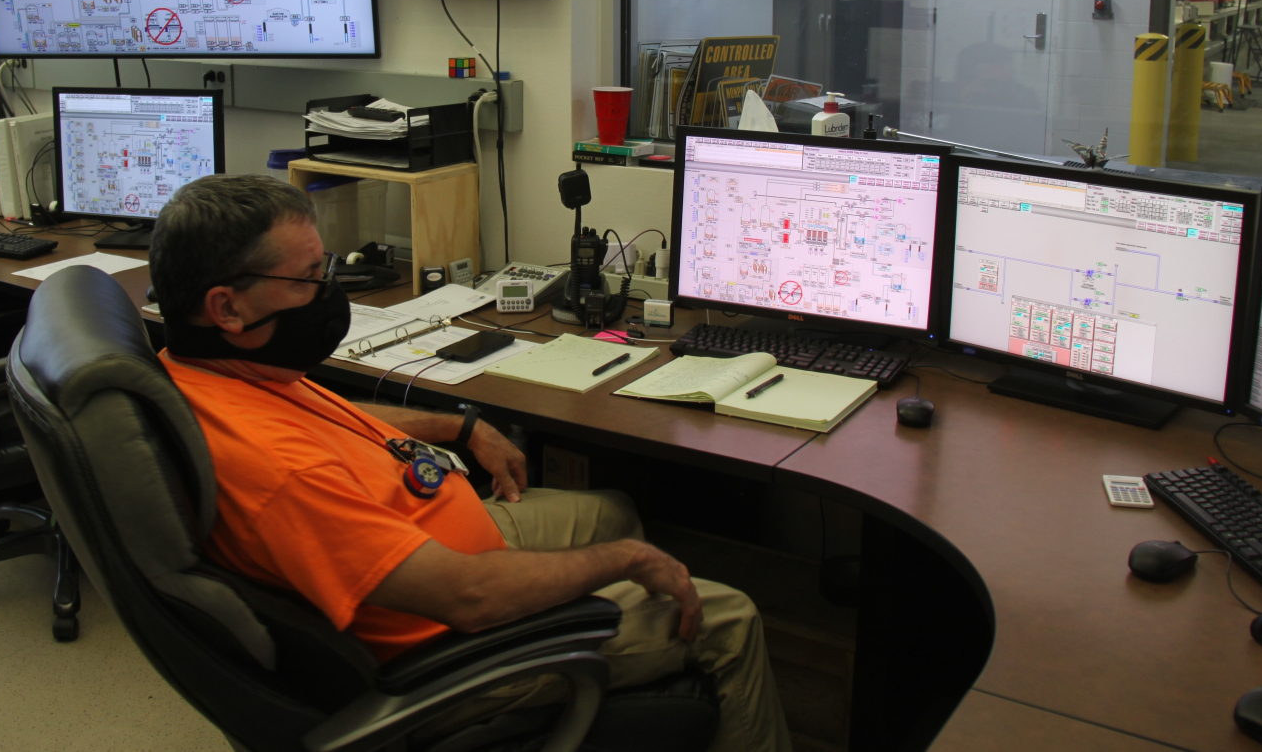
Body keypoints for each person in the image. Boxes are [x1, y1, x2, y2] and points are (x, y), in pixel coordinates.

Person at [149, 175, 791, 751]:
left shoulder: (212, 371)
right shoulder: (277, 471)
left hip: (426, 530)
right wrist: (627, 562)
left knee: (611, 511)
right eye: (310, 278)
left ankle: (634, 670)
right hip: (456, 643)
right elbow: (469, 597)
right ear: (226, 307)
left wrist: (459, 424)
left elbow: (332, 422)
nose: (329, 291)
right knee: (729, 616)